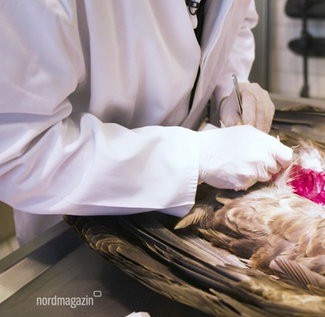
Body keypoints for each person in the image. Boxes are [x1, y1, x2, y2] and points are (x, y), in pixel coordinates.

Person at [0, 1, 293, 244]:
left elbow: (237, 24)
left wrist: (230, 89)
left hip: (178, 222)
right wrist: (194, 157)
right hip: (72, 228)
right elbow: (20, 154)